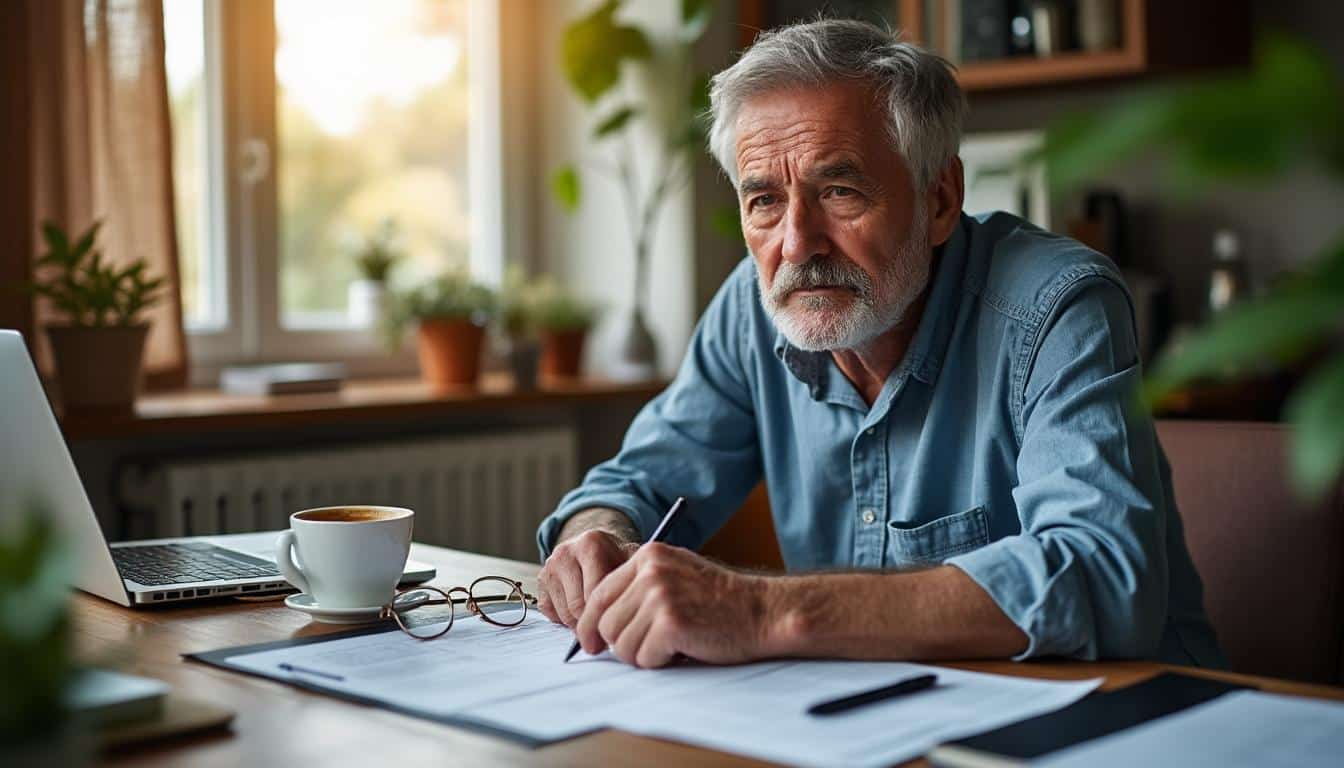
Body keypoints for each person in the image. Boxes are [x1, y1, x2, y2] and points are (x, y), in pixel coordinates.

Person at [534, 18, 1223, 671]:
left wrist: (760, 610)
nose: (797, 244)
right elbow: (638, 483)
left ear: (940, 200)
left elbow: (1103, 578)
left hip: (1125, 721)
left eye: (839, 190)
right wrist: (597, 536)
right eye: (764, 201)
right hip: (880, 719)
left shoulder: (1055, 306)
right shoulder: (753, 307)